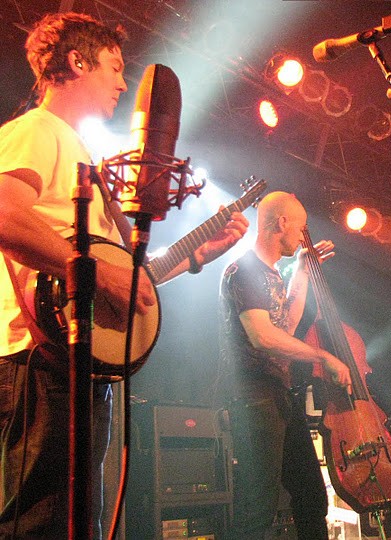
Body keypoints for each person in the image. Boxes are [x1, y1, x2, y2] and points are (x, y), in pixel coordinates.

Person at [0, 12, 249, 538]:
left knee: (75, 519)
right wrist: (98, 275)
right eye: (113, 67)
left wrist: (197, 256)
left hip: (76, 360)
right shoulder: (38, 130)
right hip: (36, 359)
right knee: (39, 522)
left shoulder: (83, 151)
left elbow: (128, 278)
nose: (121, 82)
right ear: (77, 61)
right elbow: (4, 213)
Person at [219, 191, 351, 539]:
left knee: (311, 496)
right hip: (254, 396)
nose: (303, 236)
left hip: (279, 394)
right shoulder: (244, 271)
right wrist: (323, 356)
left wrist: (303, 271)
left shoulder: (272, 274)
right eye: (301, 227)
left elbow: (287, 326)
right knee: (258, 507)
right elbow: (263, 336)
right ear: (282, 223)